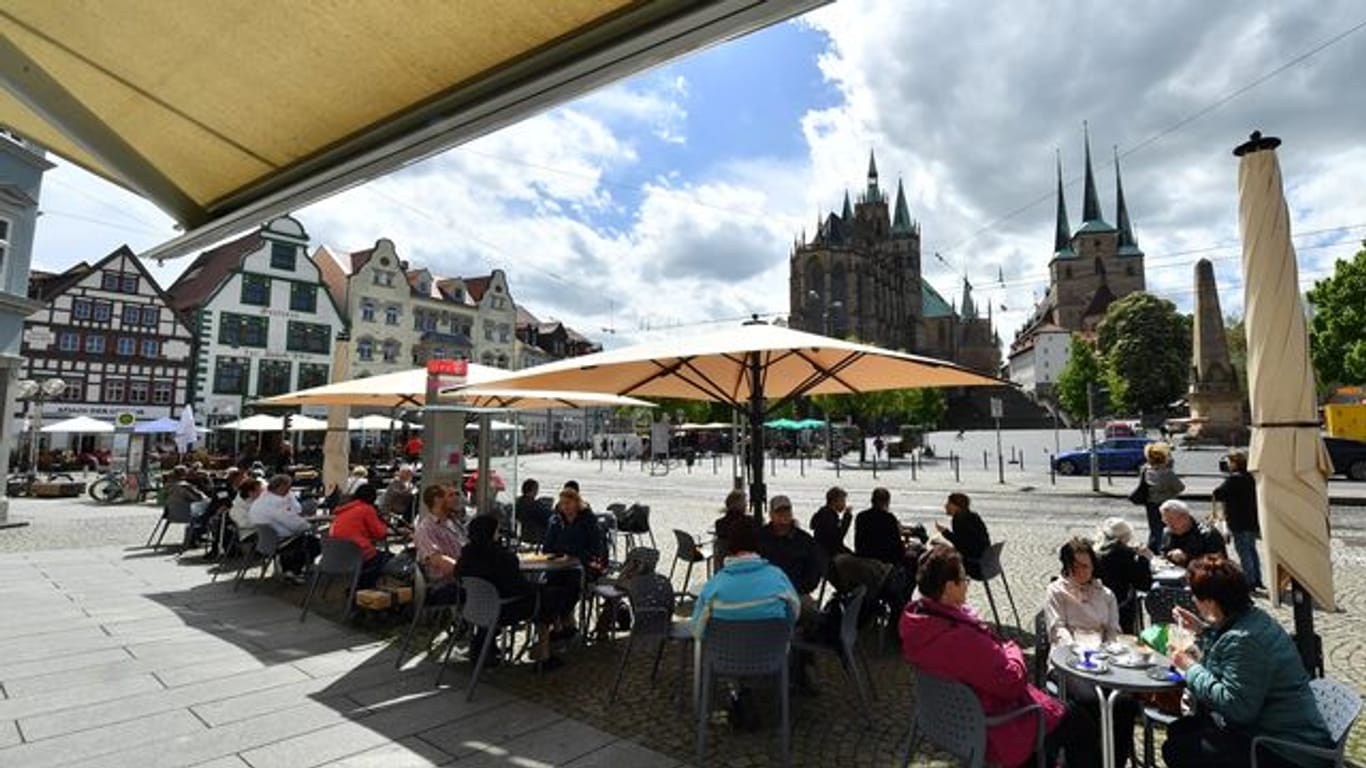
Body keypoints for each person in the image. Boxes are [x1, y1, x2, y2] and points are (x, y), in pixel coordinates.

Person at [900, 545, 1090, 768]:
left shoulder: (916, 621)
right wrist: (1013, 649)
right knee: (1080, 723)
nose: (967, 583)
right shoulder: (960, 638)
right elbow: (1012, 683)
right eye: (964, 578)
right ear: (949, 586)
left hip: (941, 721)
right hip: (990, 725)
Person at [1165, 556, 1332, 768]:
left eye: (1195, 596)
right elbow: (1228, 654)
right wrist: (1202, 629)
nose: (1194, 601)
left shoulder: (1245, 640)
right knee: (1182, 730)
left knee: (1178, 749)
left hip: (1287, 750)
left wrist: (1189, 667)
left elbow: (1236, 707)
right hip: (1276, 729)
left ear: (1210, 602)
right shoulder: (1252, 618)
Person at [1045, 537, 1135, 767]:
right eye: (1074, 567)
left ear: (1094, 565)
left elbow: (1114, 630)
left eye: (1085, 566)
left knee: (1125, 703)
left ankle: (1114, 760)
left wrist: (1108, 652)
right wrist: (1078, 650)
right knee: (1090, 701)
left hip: (1103, 658)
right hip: (1069, 659)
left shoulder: (1105, 594)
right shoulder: (1057, 591)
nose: (1080, 572)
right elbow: (1057, 629)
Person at [458, 514, 570, 669]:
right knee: (547, 598)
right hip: (503, 610)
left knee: (545, 595)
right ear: (491, 533)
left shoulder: (466, 553)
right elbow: (518, 587)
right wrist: (537, 588)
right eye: (497, 531)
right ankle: (545, 652)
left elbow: (458, 575)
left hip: (474, 608)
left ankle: (555, 633)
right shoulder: (503, 558)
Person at [542, 486, 607, 638]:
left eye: (568, 503)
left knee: (571, 584)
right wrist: (560, 550)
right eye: (563, 503)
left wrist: (573, 552)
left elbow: (596, 549)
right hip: (560, 566)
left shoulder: (588, 521)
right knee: (548, 583)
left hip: (584, 566)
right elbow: (548, 547)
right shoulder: (557, 521)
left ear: (577, 503)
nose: (565, 507)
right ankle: (558, 622)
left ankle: (563, 620)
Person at [248, 474, 320, 579]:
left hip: (264, 540)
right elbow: (294, 524)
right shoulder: (276, 503)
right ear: (280, 487)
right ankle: (294, 570)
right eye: (287, 488)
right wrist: (310, 526)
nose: (288, 491)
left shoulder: (261, 500)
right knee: (315, 543)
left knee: (300, 538)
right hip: (279, 540)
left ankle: (290, 569)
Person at [1212, 450, 1264, 591]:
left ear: (1235, 463)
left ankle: (1249, 581)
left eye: (1229, 462)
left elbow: (1218, 493)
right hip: (1252, 519)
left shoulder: (1234, 479)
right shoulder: (1251, 477)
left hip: (1238, 520)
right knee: (1252, 550)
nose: (1227, 465)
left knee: (1243, 551)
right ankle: (1257, 578)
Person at [1094, 517, 1152, 634]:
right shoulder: (1124, 554)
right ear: (1124, 537)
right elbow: (1144, 584)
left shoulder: (1095, 551)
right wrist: (1144, 559)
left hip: (1096, 603)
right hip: (1120, 606)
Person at [329, 484, 393, 589]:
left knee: (375, 557)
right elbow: (380, 533)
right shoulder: (367, 509)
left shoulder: (343, 510)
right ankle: (364, 589)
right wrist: (384, 525)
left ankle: (359, 588)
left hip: (335, 556)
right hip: (356, 555)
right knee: (387, 558)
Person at [413, 483, 467, 605]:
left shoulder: (454, 522)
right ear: (437, 500)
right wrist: (469, 570)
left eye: (456, 494)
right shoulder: (426, 529)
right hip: (444, 585)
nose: (456, 498)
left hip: (462, 577)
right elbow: (439, 561)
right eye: (451, 495)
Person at [935, 492, 991, 579]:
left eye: (948, 503)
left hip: (974, 565)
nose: (945, 506)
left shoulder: (958, 520)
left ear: (956, 506)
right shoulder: (973, 516)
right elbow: (968, 541)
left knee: (939, 563)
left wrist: (945, 533)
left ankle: (948, 590)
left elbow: (961, 545)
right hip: (987, 562)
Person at [1141, 442, 1185, 551]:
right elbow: (1180, 487)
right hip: (1166, 504)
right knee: (1166, 528)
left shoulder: (1146, 470)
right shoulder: (1167, 473)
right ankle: (1163, 549)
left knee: (1154, 528)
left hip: (1150, 503)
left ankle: (1151, 548)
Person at [1160, 500, 1226, 566]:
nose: (1168, 524)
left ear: (1184, 517)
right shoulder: (1167, 532)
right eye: (1165, 520)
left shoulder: (1207, 534)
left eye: (1170, 519)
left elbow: (1218, 563)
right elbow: (1163, 554)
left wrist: (1187, 557)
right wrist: (1169, 556)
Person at [164, 465, 209, 548]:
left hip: (171, 513)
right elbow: (199, 497)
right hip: (186, 514)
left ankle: (196, 537)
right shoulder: (184, 486)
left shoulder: (169, 485)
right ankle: (197, 537)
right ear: (184, 474)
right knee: (208, 512)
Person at [809, 485, 853, 564]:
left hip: (824, 552)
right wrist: (847, 517)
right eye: (842, 501)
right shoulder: (828, 516)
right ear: (834, 501)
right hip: (828, 554)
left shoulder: (825, 513)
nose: (844, 504)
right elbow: (837, 538)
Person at [713, 489, 756, 568]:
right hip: (745, 562)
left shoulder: (719, 523)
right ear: (739, 504)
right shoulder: (748, 522)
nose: (746, 505)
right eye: (745, 502)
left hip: (723, 563)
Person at [514, 478, 551, 546]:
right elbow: (547, 517)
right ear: (534, 490)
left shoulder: (518, 502)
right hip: (535, 537)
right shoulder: (534, 505)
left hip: (523, 535)